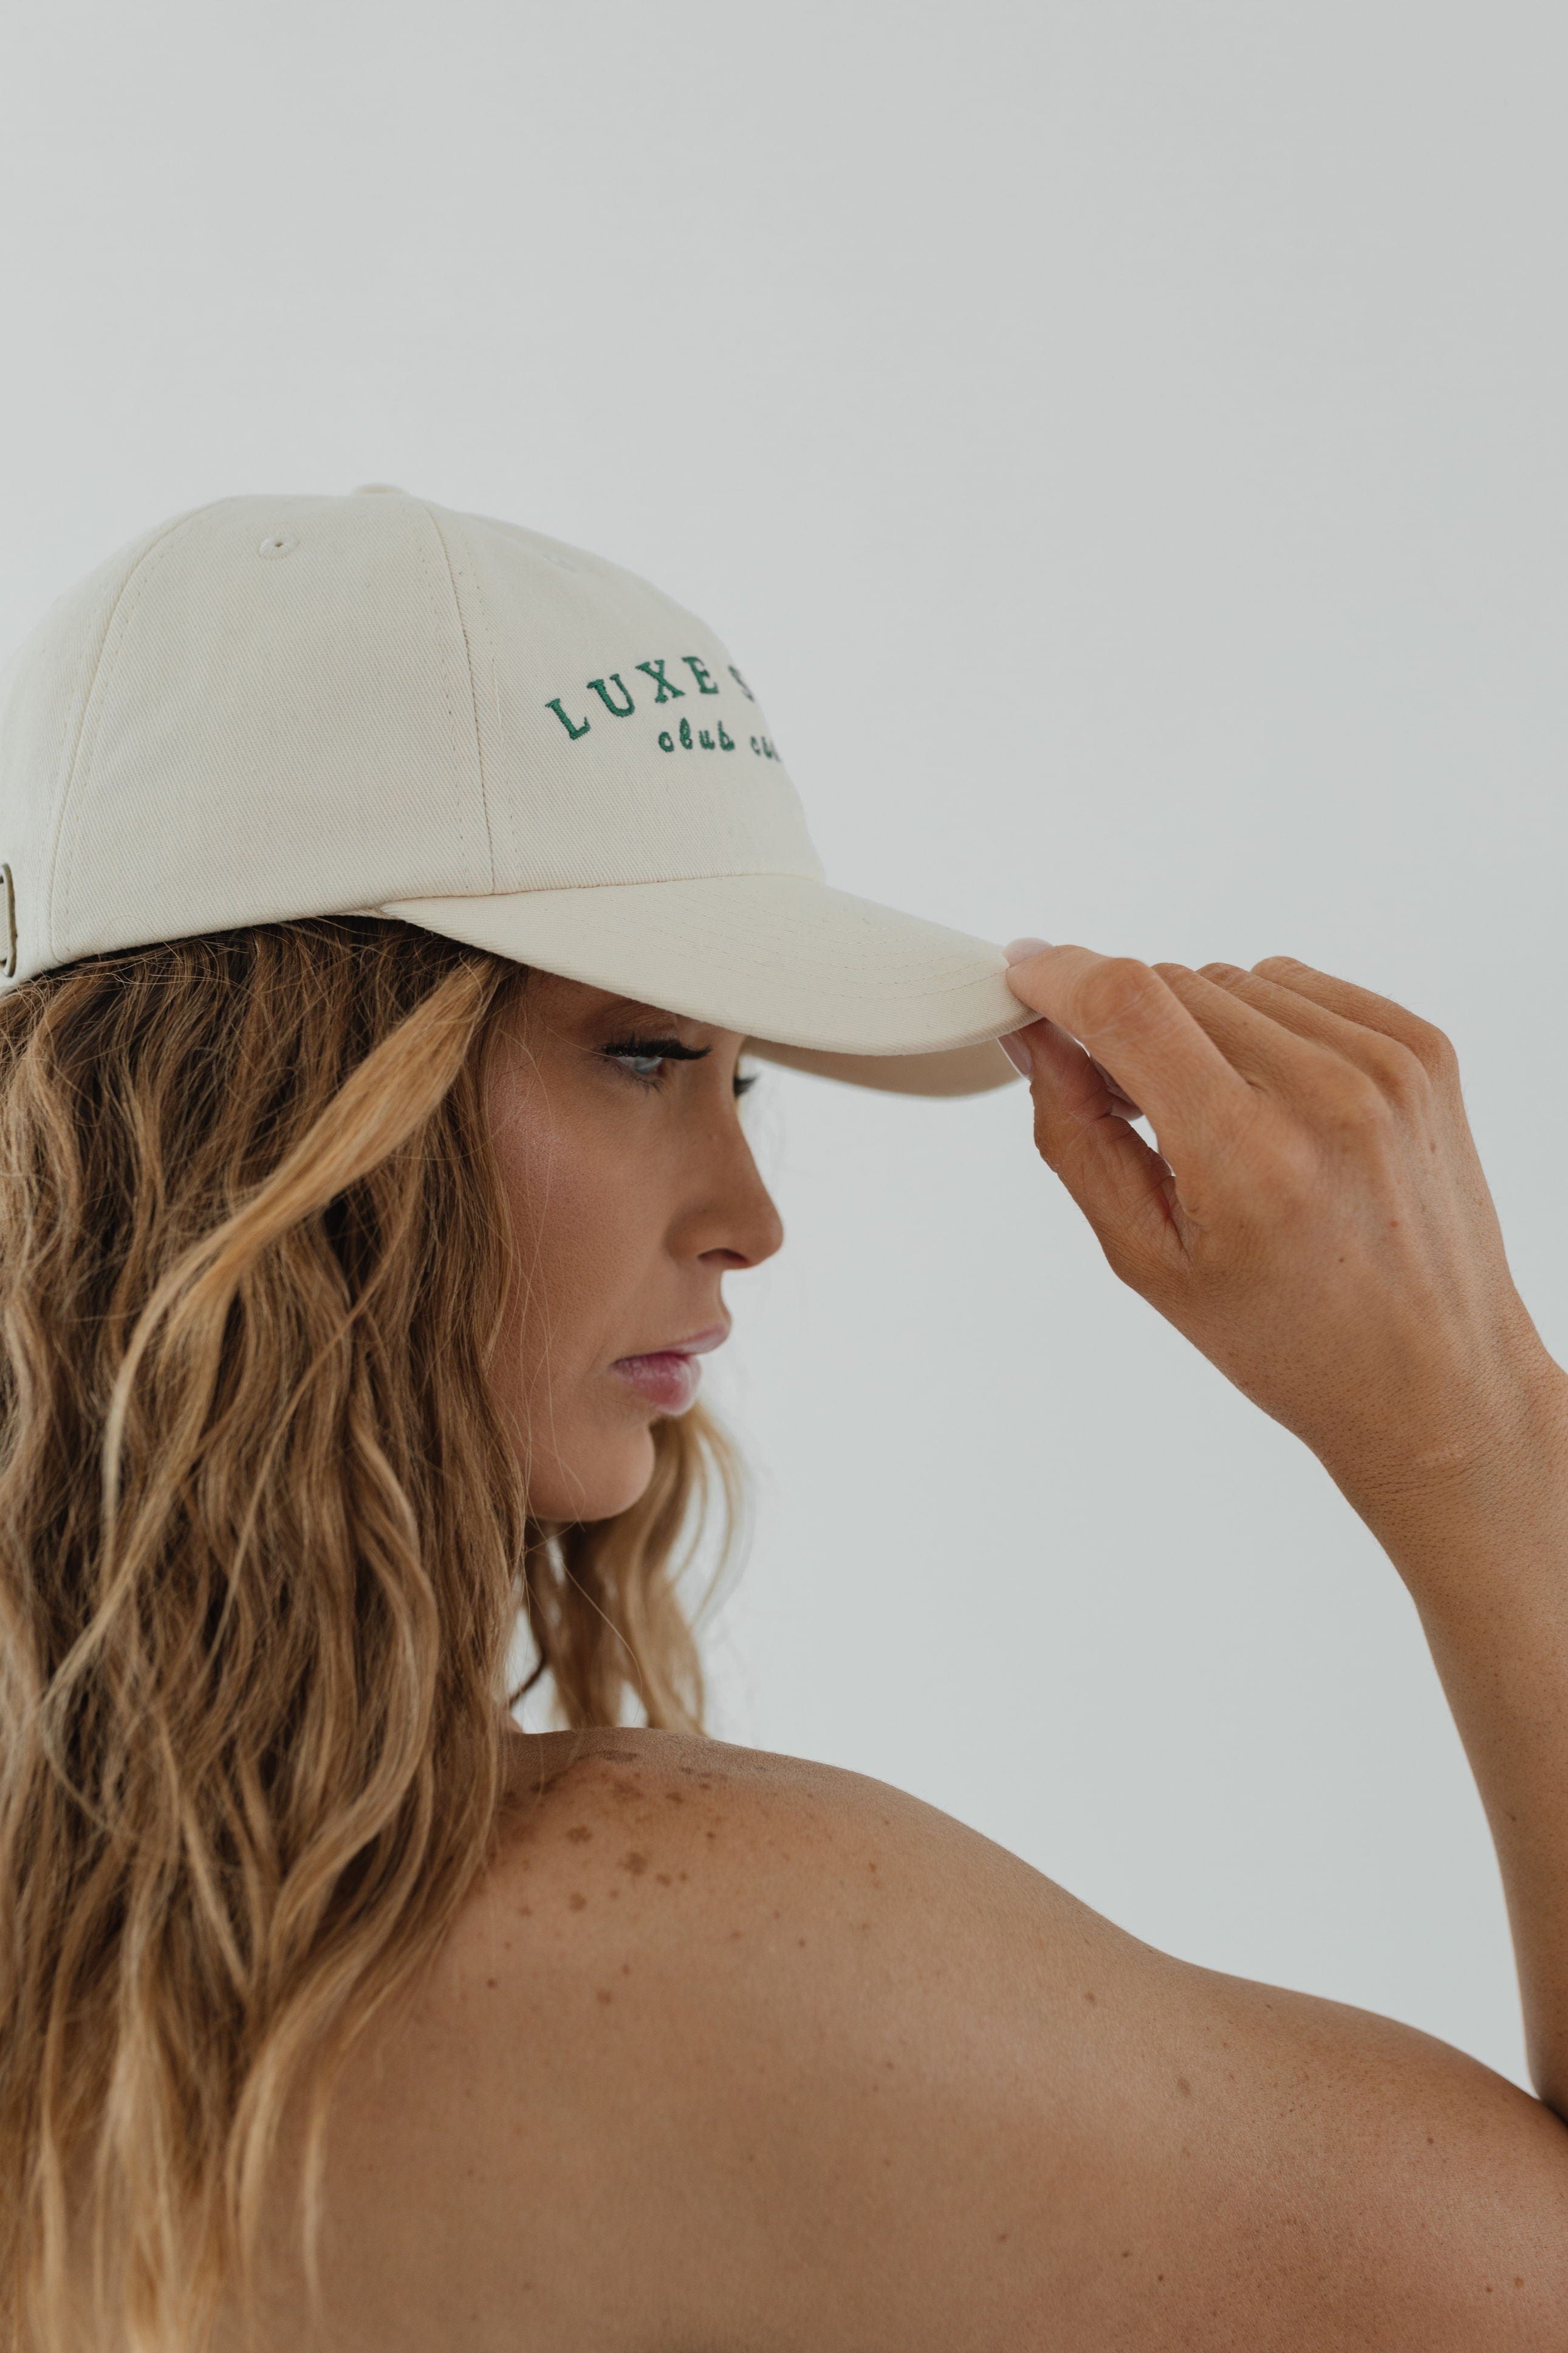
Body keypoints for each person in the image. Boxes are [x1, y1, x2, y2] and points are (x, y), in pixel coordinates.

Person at [0, 489, 1564, 2353]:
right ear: (282, 1117)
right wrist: (1477, 1430)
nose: (751, 1212)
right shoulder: (695, 1965)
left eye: (741, 1075)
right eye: (646, 1052)